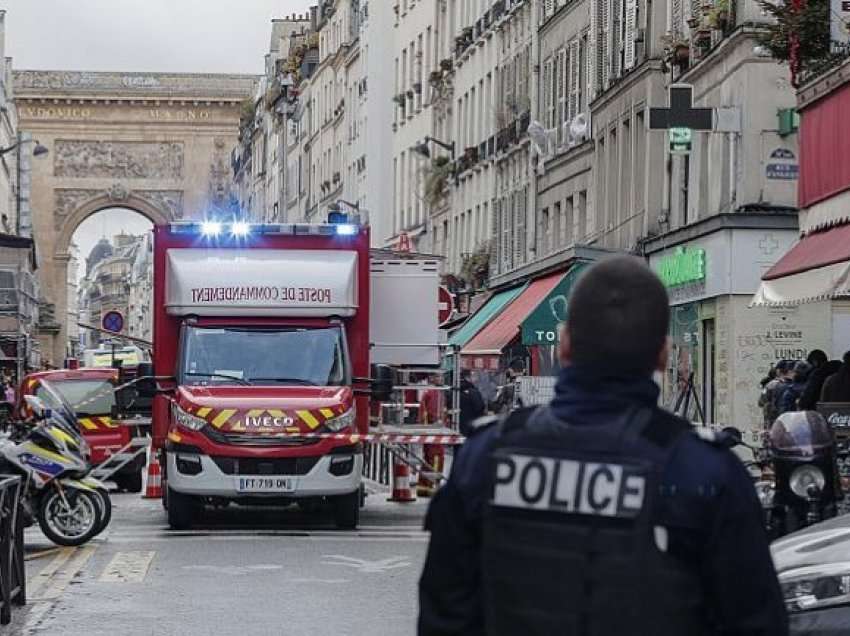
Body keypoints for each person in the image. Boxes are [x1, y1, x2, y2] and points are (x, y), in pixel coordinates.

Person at [418, 256, 787, 636]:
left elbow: (443, 614)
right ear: (663, 354)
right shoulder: (707, 472)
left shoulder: (487, 456)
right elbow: (756, 620)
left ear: (564, 345)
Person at [458, 370, 486, 436]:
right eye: (473, 376)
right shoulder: (473, 391)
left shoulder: (455, 390)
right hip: (471, 426)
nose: (475, 379)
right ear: (468, 377)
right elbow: (479, 407)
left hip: (457, 425)